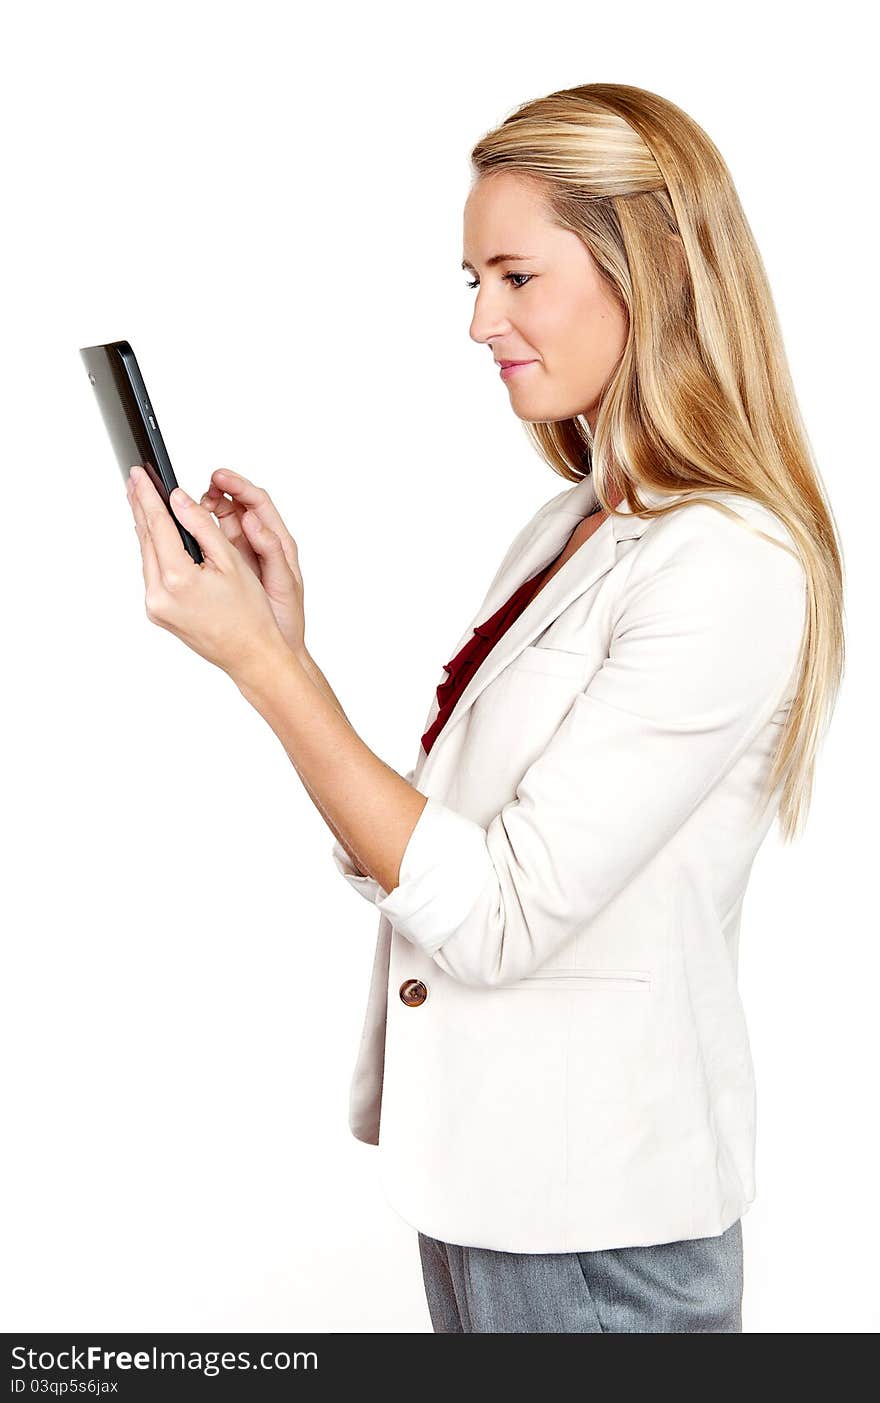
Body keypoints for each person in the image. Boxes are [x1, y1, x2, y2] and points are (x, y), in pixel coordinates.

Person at [126, 82, 845, 1333]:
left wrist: (266, 672)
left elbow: (499, 916)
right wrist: (287, 646)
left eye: (514, 276)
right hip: (494, 1190)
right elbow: (450, 842)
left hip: (594, 1232)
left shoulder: (727, 564)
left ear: (657, 269)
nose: (478, 321)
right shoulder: (573, 526)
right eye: (470, 281)